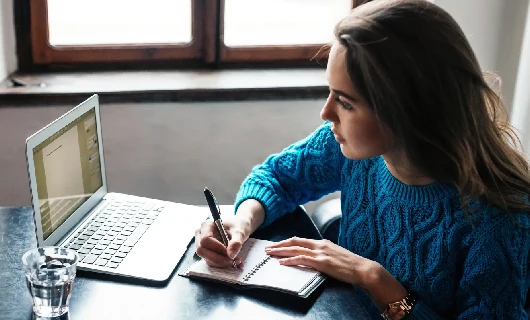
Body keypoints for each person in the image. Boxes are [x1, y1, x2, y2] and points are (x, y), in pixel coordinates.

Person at [194, 0, 530, 318]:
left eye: (346, 103)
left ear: (407, 110)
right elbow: (276, 177)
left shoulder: (499, 221)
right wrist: (241, 221)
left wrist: (373, 278)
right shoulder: (351, 150)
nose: (326, 113)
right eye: (331, 93)